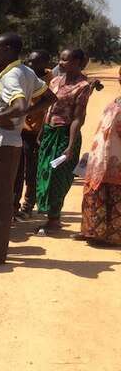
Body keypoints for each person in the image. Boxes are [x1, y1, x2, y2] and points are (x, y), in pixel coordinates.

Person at [0, 33, 56, 265]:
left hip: (0, 145)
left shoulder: (12, 76)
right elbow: (49, 97)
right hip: (7, 142)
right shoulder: (25, 71)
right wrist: (22, 114)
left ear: (6, 49)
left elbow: (19, 105)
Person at [35, 48, 93, 233]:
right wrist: (41, 131)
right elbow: (48, 109)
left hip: (65, 135)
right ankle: (49, 216)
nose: (60, 63)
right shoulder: (55, 81)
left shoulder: (82, 86)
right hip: (49, 133)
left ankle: (54, 219)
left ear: (76, 62)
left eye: (65, 60)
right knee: (44, 173)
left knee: (59, 178)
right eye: (60, 59)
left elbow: (78, 118)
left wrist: (70, 146)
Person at [80, 65, 121, 245]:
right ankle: (95, 232)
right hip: (101, 158)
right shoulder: (117, 99)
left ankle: (112, 236)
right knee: (97, 192)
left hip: (117, 161)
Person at [14, 49, 53, 218]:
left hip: (36, 132)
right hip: (20, 130)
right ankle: (13, 205)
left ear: (44, 63)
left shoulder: (50, 82)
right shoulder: (25, 78)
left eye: (34, 62)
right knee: (16, 170)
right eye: (28, 61)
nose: (30, 64)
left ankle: (28, 205)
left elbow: (50, 109)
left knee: (31, 171)